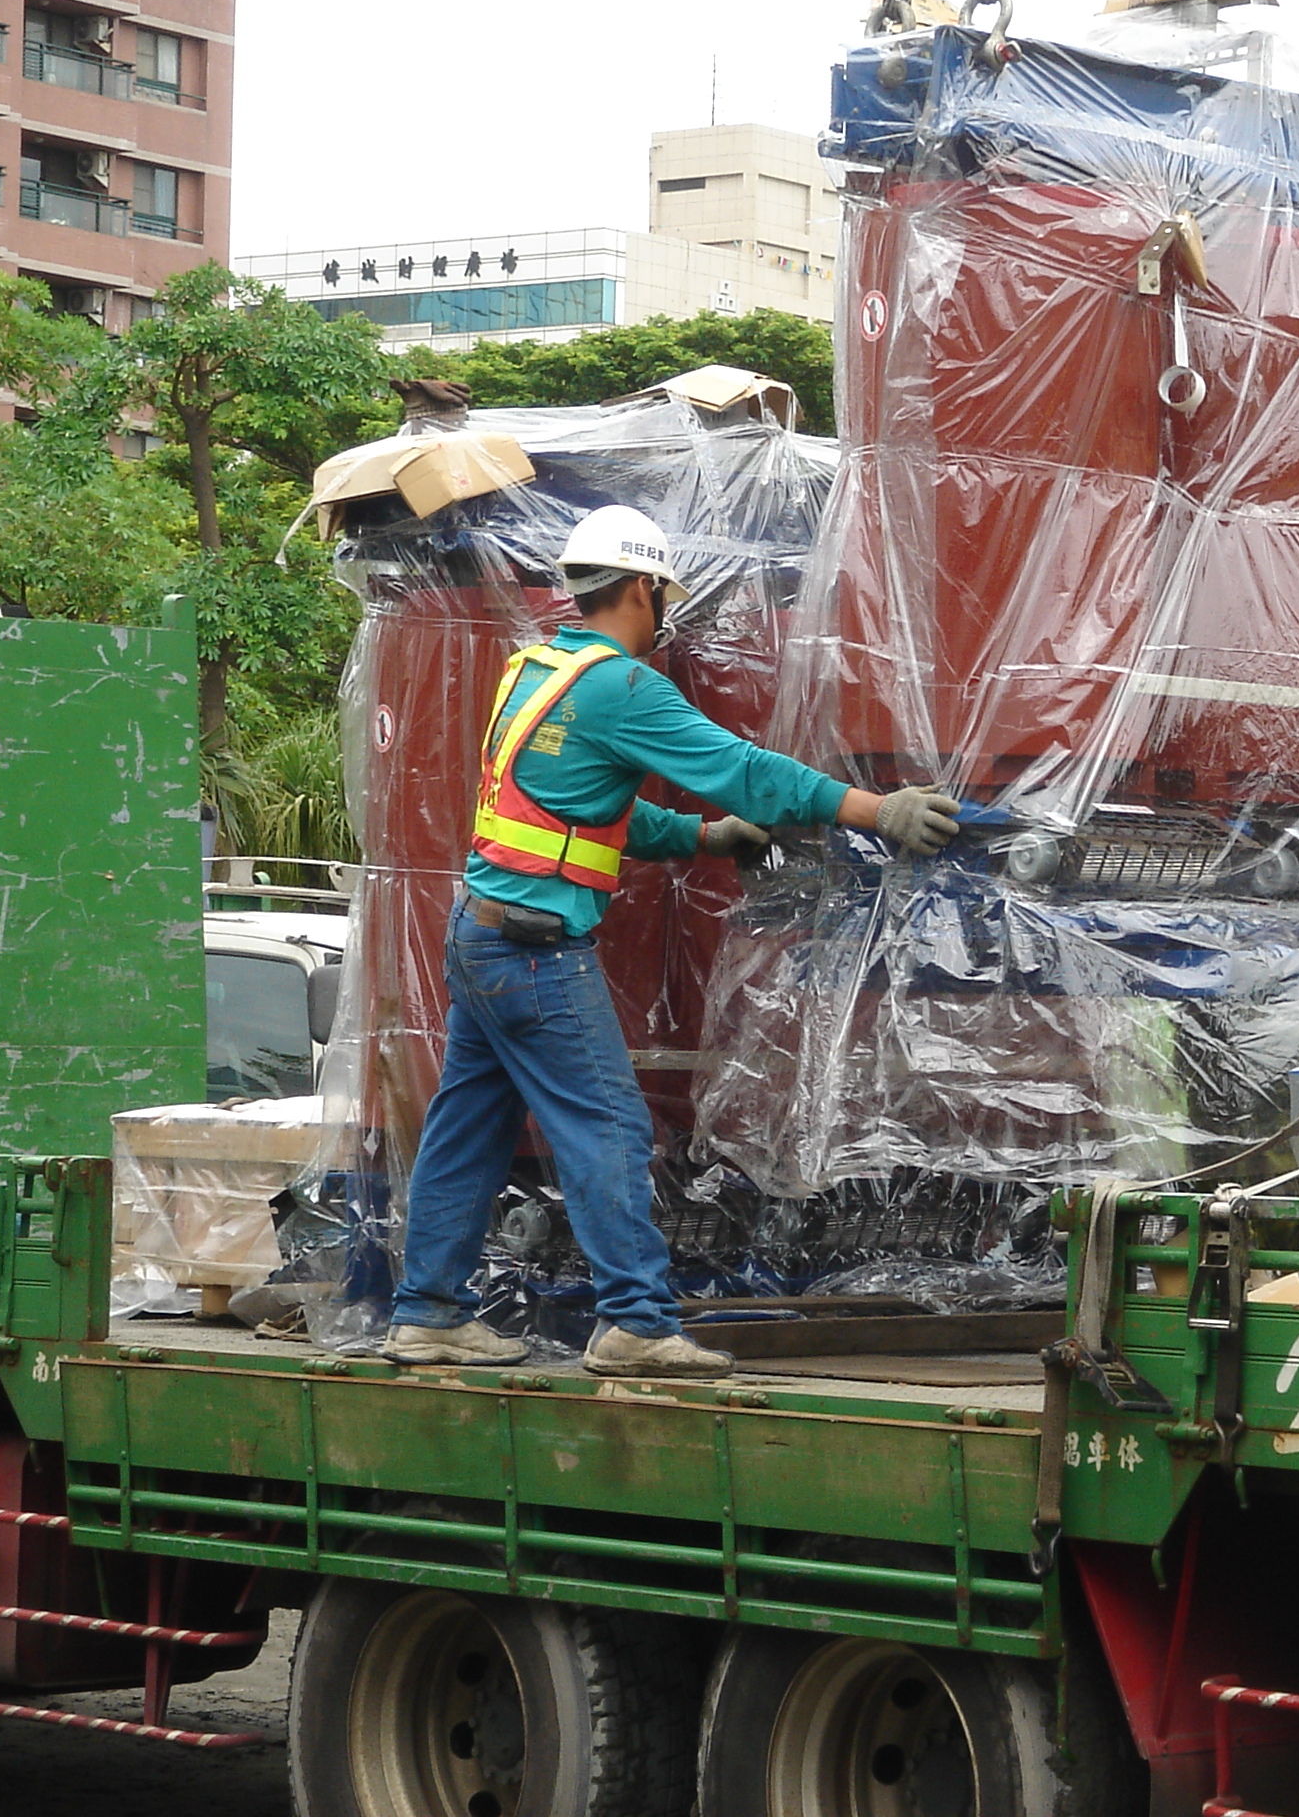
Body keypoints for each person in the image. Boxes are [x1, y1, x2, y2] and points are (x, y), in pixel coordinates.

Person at [383, 506, 965, 1378]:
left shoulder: (537, 670)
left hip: (481, 940)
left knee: (465, 1129)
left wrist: (701, 838)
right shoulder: (621, 687)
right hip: (537, 954)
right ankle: (636, 1324)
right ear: (645, 588)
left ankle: (426, 1315)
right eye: (665, 596)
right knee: (612, 1125)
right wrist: (876, 810)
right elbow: (746, 769)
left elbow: (579, 808)